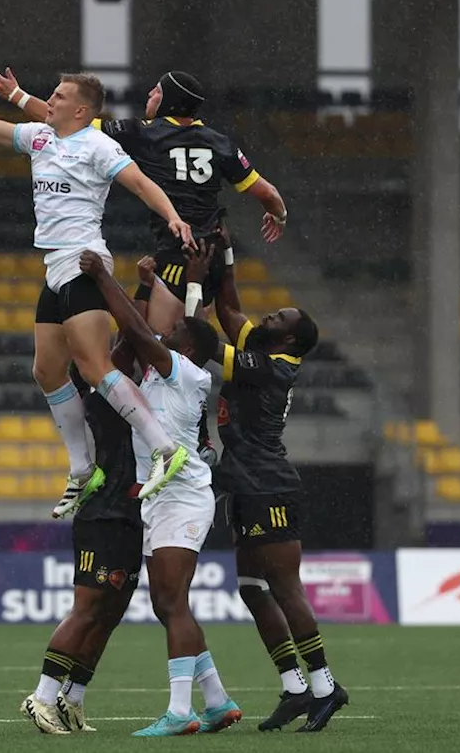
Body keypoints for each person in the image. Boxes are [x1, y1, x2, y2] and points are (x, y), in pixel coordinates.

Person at [0, 56, 196, 518]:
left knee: (95, 367)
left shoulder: (98, 146)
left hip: (85, 262)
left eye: (59, 96)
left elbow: (140, 183)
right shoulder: (39, 137)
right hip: (54, 267)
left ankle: (164, 448)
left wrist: (173, 217)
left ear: (81, 110)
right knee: (46, 371)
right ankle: (83, 471)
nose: (50, 100)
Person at [185, 239, 349, 732]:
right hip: (245, 484)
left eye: (278, 319)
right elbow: (229, 307)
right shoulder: (265, 350)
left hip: (268, 486)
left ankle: (325, 686)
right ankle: (296, 688)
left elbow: (202, 338)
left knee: (284, 586)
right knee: (253, 589)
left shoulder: (273, 369)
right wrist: (225, 255)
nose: (268, 319)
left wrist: (192, 280)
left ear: (290, 341)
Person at [0, 66, 289, 336]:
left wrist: (16, 95)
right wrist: (278, 216)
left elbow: (67, 123)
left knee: (158, 348)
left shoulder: (144, 133)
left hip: (179, 250)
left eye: (157, 90)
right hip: (214, 251)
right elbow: (269, 194)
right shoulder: (221, 142)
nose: (150, 93)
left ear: (170, 99)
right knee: (205, 336)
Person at [77, 250, 241, 737]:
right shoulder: (176, 367)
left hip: (183, 496)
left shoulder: (182, 371)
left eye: (172, 338)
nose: (162, 336)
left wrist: (108, 279)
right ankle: (216, 701)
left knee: (172, 604)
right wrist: (163, 282)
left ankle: (179, 712)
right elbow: (174, 327)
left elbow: (139, 330)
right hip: (162, 496)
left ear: (185, 351)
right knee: (171, 604)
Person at [20, 359, 141, 734]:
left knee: (110, 613)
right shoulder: (100, 396)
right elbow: (122, 351)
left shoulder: (126, 393)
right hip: (102, 514)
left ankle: (72, 700)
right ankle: (41, 697)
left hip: (132, 515)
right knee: (87, 610)